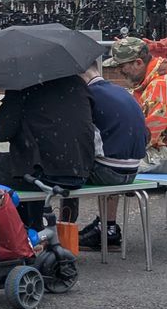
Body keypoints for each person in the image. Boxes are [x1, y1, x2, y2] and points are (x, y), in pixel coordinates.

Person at [80, 36, 167, 248]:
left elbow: (144, 137)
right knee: (115, 158)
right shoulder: (160, 78)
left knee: (112, 163)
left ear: (138, 62)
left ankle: (107, 228)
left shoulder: (160, 86)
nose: (119, 72)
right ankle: (107, 226)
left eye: (122, 67)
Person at [0, 75, 94, 231]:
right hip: (80, 171)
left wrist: (9, 104)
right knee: (30, 165)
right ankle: (35, 227)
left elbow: (2, 133)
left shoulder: (23, 84)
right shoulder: (77, 83)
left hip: (44, 173)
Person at [60, 62, 148, 248]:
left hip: (109, 173)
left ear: (79, 77)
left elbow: (80, 138)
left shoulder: (87, 96)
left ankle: (64, 231)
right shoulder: (121, 92)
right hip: (132, 171)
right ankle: (108, 227)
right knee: (108, 157)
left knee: (66, 170)